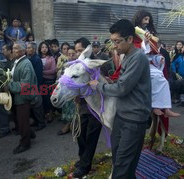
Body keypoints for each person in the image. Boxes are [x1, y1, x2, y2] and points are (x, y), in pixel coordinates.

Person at [89, 19, 151, 178]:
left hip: (134, 119)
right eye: (112, 41)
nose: (114, 45)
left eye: (117, 41)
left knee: (123, 164)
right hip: (122, 115)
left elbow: (122, 88)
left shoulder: (138, 57)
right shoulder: (127, 56)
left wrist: (99, 86)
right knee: (119, 159)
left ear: (130, 39)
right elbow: (123, 82)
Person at [132, 10, 180, 117]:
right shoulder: (133, 34)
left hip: (149, 63)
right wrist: (144, 43)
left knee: (163, 80)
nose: (147, 22)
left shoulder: (150, 34)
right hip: (137, 63)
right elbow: (134, 51)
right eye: (145, 19)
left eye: (149, 19)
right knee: (155, 77)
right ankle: (154, 106)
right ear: (139, 18)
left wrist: (159, 59)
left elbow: (153, 54)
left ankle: (166, 107)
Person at [72, 37, 102, 178]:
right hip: (82, 107)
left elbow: (104, 83)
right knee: (80, 134)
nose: (78, 53)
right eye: (77, 50)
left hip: (96, 108)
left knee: (91, 136)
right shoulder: (78, 64)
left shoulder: (98, 63)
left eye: (80, 50)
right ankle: (83, 158)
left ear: (88, 49)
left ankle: (85, 165)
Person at [8, 41, 36, 154]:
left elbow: (25, 85)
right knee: (20, 119)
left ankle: (25, 143)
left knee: (22, 120)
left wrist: (9, 86)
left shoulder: (26, 64)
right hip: (17, 96)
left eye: (16, 48)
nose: (13, 50)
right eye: (13, 48)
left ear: (23, 51)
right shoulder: (17, 61)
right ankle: (30, 133)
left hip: (23, 97)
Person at [57, 46, 77, 136]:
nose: (71, 56)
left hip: (75, 91)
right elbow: (61, 76)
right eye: (69, 54)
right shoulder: (65, 64)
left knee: (74, 109)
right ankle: (69, 124)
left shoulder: (78, 65)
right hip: (66, 90)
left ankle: (70, 125)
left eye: (73, 54)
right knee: (66, 108)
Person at [26, 42, 46, 131]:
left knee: (38, 106)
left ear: (34, 49)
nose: (27, 49)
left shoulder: (37, 59)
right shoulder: (29, 58)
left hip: (36, 86)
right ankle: (36, 121)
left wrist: (37, 88)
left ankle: (41, 123)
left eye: (29, 48)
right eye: (27, 48)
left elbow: (38, 75)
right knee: (33, 106)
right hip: (31, 86)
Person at [38, 41, 56, 123]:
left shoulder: (51, 58)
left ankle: (51, 114)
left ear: (48, 48)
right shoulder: (38, 58)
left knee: (49, 98)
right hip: (42, 81)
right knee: (44, 98)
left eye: (45, 47)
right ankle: (46, 113)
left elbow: (53, 70)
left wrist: (42, 72)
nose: (44, 49)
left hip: (49, 81)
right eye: (42, 47)